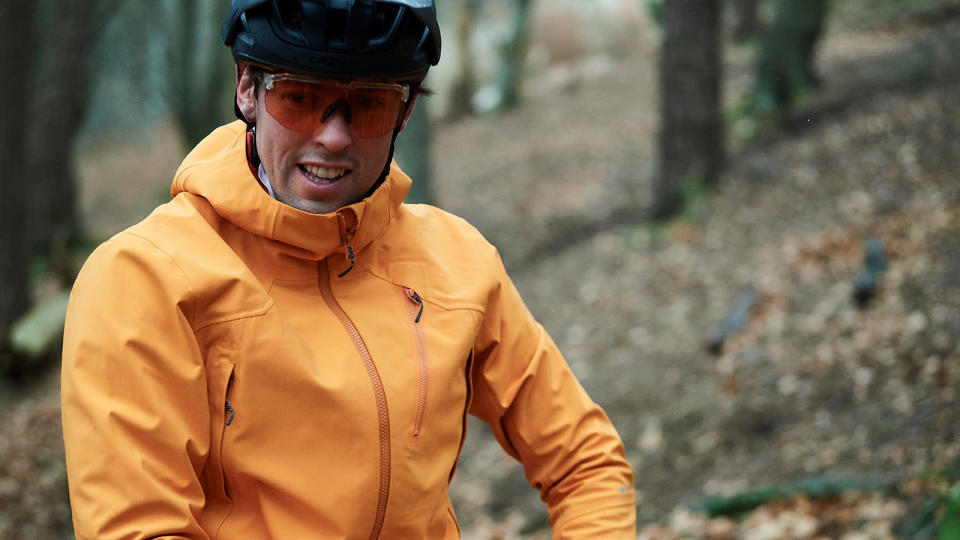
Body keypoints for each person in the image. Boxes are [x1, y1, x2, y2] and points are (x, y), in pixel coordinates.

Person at [61, 1, 637, 538]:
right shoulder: (141, 279)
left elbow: (586, 462)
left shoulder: (457, 261)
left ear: (405, 113)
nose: (332, 136)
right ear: (247, 92)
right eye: (300, 98)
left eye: (369, 104)